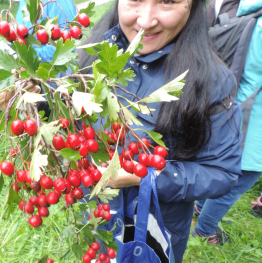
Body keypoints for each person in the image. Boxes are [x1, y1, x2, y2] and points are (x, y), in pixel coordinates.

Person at [78, 0, 242, 262]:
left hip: (156, 230)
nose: (145, 20)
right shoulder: (90, 54)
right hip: (96, 217)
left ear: (193, 6)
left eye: (167, 1)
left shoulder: (211, 82)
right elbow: (68, 118)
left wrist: (145, 177)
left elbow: (223, 172)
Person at [192, 0, 262, 243]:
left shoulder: (252, 12)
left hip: (237, 107)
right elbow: (252, 73)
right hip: (251, 119)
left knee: (225, 171)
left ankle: (201, 208)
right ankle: (205, 229)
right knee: (240, 179)